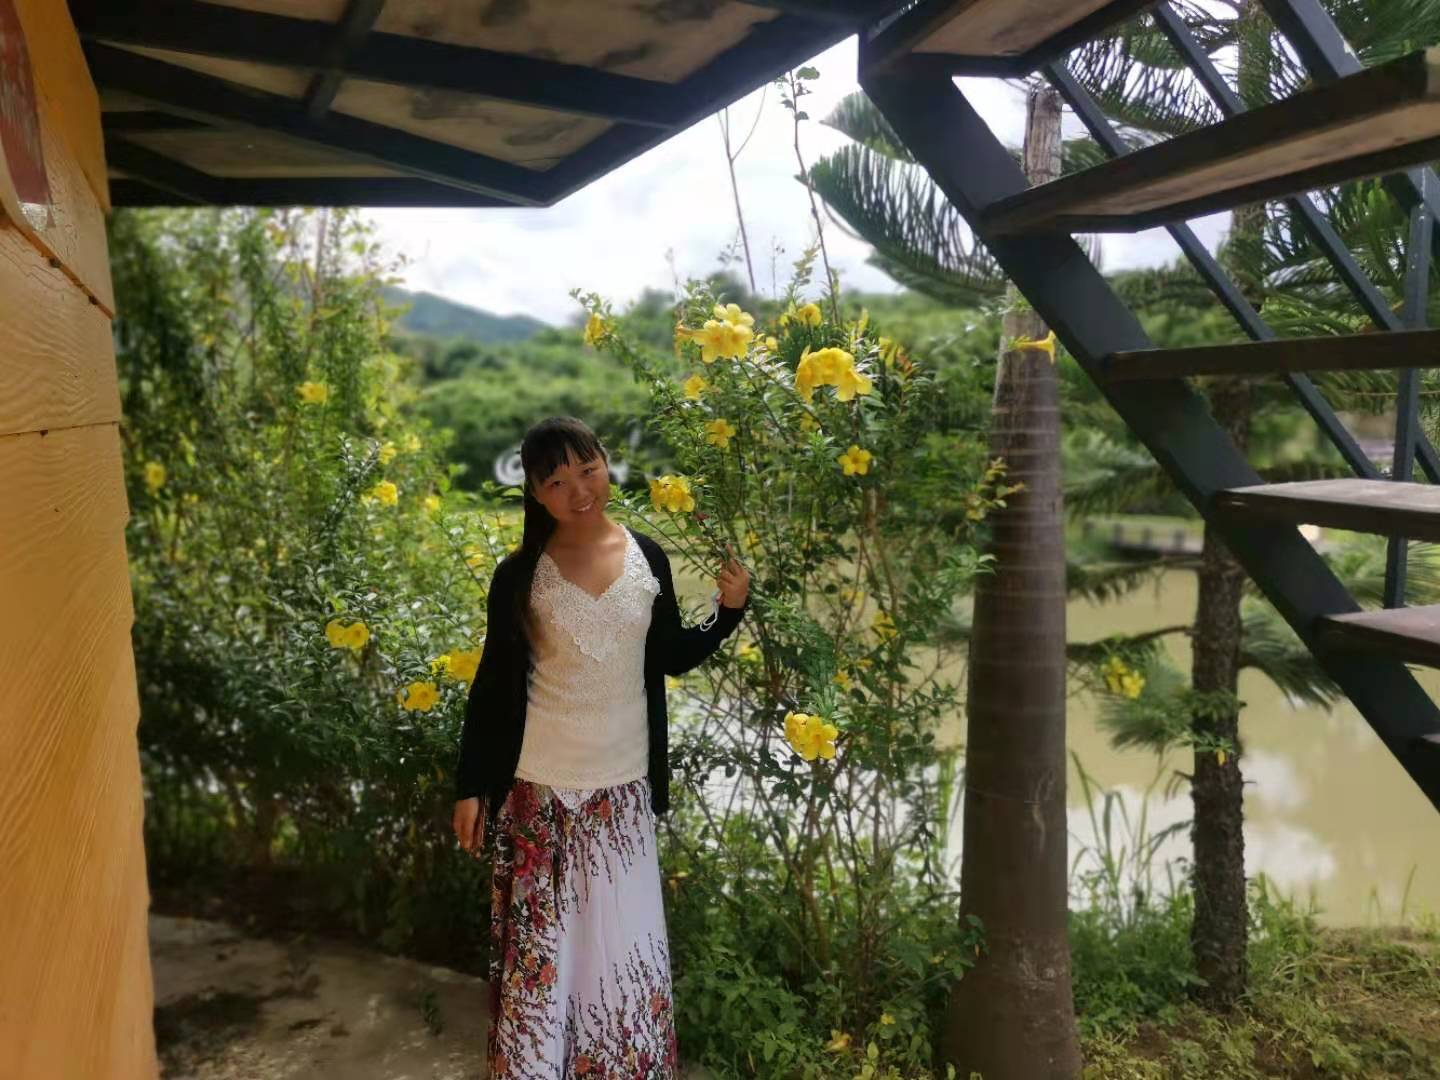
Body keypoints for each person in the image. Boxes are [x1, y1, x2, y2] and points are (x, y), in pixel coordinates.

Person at [451, 415, 750, 1078]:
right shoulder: (519, 576)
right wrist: (471, 784)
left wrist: (727, 614)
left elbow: (669, 655)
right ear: (535, 493)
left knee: (622, 953)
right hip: (538, 793)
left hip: (622, 795)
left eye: (587, 470)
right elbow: (493, 683)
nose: (578, 491)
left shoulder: (648, 557)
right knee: (544, 958)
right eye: (556, 482)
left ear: (605, 463)